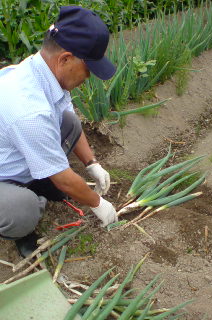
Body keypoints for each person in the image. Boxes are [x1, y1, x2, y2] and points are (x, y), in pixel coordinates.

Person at [0, 6, 118, 258]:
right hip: (2, 174)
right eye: (88, 69)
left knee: (67, 121)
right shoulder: (28, 111)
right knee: (24, 209)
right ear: (64, 59)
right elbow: (64, 178)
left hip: (12, 153)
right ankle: (19, 228)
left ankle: (37, 181)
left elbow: (69, 117)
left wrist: (91, 163)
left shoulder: (39, 69)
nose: (89, 77)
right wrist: (99, 204)